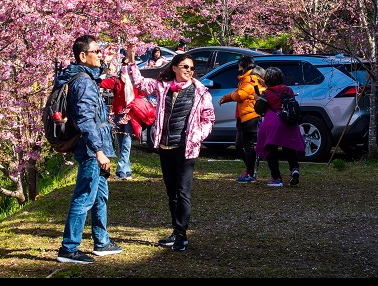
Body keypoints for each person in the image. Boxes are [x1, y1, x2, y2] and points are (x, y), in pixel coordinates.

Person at [124, 49, 215, 252]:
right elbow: (139, 83)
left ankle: (182, 235)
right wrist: (131, 61)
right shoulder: (164, 87)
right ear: (174, 68)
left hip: (186, 149)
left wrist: (197, 136)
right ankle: (175, 231)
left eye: (192, 68)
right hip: (166, 147)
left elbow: (208, 119)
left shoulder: (200, 92)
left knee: (183, 192)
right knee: (171, 192)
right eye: (185, 67)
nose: (189, 71)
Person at [55, 35, 122, 264]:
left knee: (100, 195)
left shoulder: (86, 78)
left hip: (98, 146)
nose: (100, 55)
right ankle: (69, 248)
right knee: (85, 196)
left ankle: (101, 241)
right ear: (83, 56)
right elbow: (85, 119)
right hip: (93, 148)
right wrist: (98, 151)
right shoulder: (82, 81)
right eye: (96, 51)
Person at [217, 55, 267, 183]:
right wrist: (226, 97)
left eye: (239, 65)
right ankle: (249, 170)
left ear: (244, 66)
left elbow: (240, 95)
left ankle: (250, 173)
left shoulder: (250, 79)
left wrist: (231, 95)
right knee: (239, 145)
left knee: (247, 145)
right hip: (243, 116)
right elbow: (237, 93)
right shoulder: (245, 79)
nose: (238, 68)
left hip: (250, 116)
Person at [254, 66, 306, 187]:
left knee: (271, 150)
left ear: (267, 80)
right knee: (289, 147)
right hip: (289, 122)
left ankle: (276, 178)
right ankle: (294, 168)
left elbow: (258, 109)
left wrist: (258, 99)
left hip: (273, 123)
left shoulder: (267, 93)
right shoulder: (289, 90)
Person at [99, 61, 148, 181]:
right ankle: (127, 170)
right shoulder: (116, 81)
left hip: (130, 116)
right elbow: (101, 83)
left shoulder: (135, 83)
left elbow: (144, 92)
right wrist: (103, 69)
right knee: (121, 144)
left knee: (127, 143)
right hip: (118, 116)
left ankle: (121, 170)